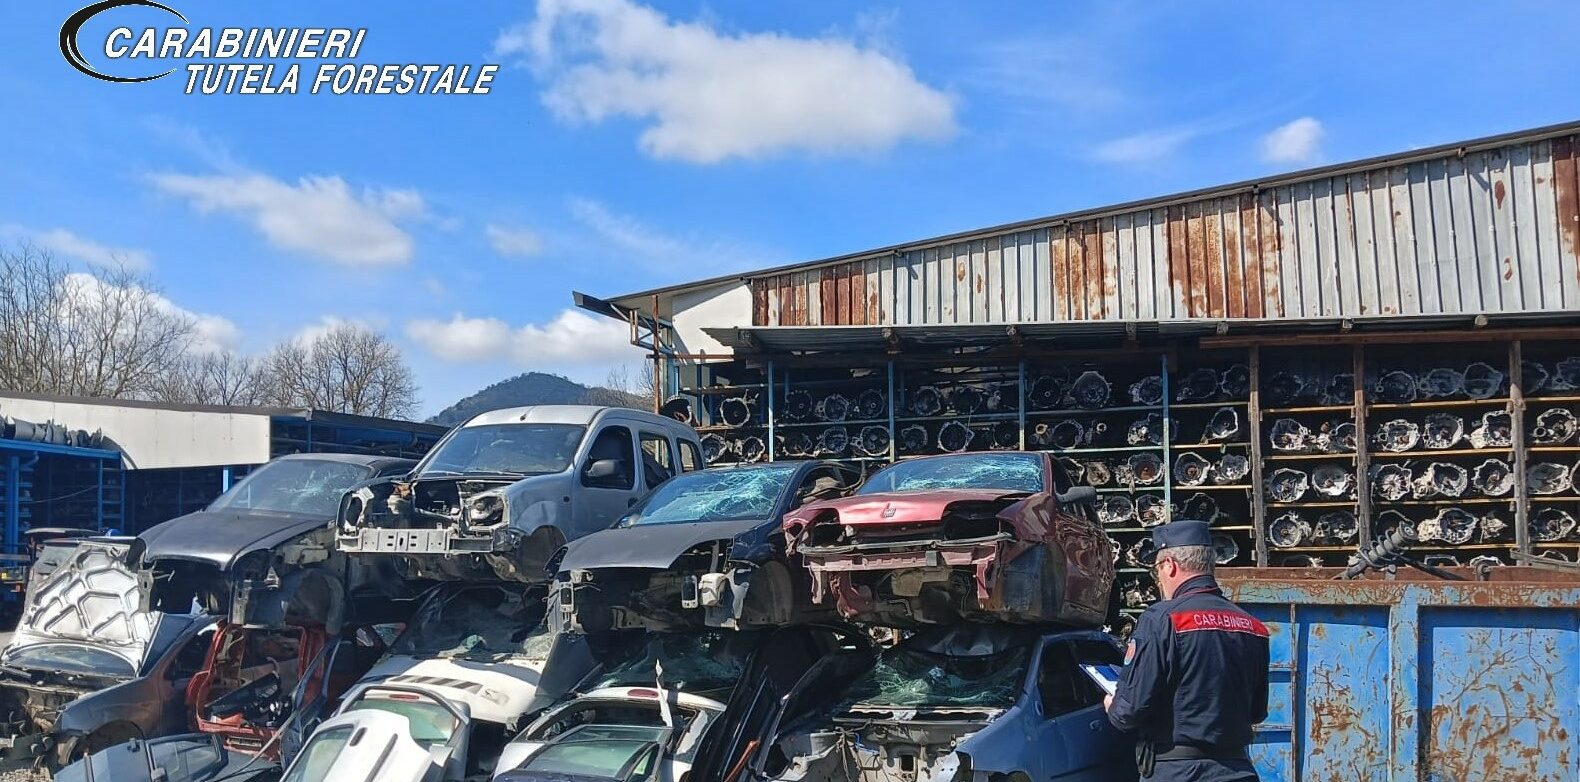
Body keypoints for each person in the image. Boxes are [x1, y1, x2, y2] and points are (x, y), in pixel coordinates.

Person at [1104, 519, 1269, 781]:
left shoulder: (1162, 619)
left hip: (1179, 772)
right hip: (1238, 771)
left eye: (1156, 569)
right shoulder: (1252, 626)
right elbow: (1257, 712)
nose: (1158, 579)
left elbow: (1130, 710)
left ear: (1170, 566)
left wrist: (1113, 705)